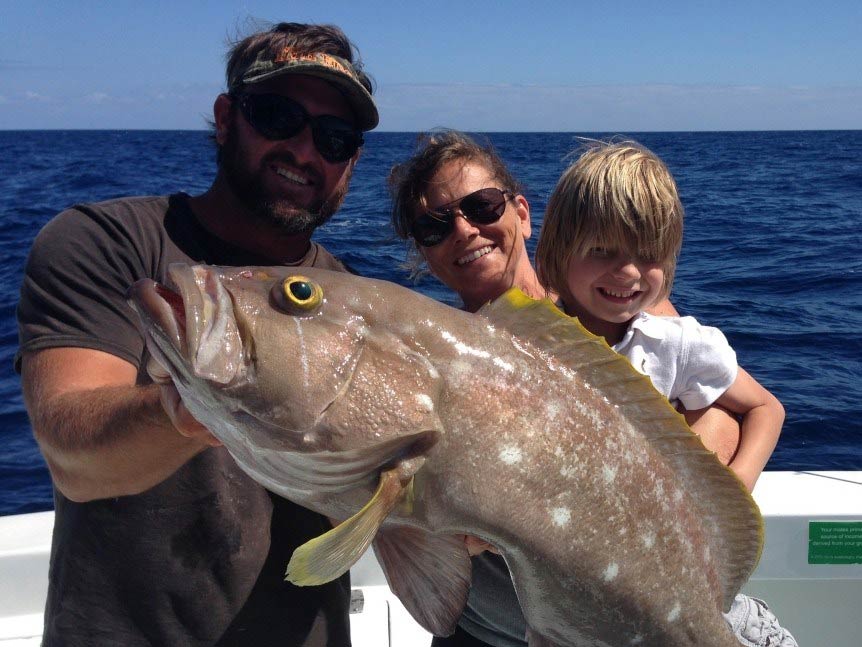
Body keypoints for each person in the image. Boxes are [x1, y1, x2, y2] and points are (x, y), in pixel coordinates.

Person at [16, 22, 378, 647]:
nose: (304, 149)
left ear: (350, 163)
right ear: (225, 117)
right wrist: (187, 412)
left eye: (334, 137)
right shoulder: (107, 243)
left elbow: (374, 501)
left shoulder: (354, 303)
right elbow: (72, 455)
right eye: (277, 114)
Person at [389, 132, 794, 646]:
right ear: (422, 249)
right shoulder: (430, 359)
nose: (465, 230)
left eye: (481, 206)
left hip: (650, 619)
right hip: (489, 630)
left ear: (521, 212)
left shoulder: (627, 317)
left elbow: (734, 410)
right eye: (434, 224)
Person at [535, 140, 795, 646]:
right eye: (602, 251)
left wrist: (732, 491)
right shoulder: (533, 347)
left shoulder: (678, 344)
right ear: (558, 252)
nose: (628, 273)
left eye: (647, 255)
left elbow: (767, 408)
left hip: (689, 582)